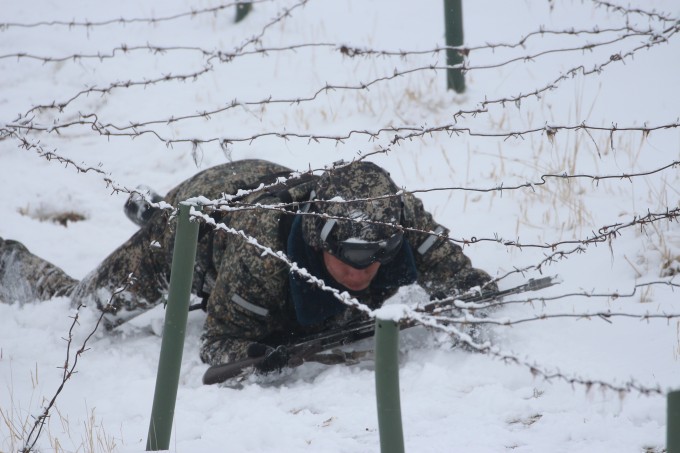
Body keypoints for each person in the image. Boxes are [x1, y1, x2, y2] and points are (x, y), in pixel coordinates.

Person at [0, 159, 495, 372]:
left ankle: (149, 210)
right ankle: (13, 262)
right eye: (355, 257)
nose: (370, 268)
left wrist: (469, 291)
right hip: (196, 234)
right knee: (86, 308)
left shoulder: (388, 210)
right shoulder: (261, 259)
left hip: (264, 182)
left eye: (384, 253)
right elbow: (216, 342)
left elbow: (452, 269)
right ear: (317, 241)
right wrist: (263, 352)